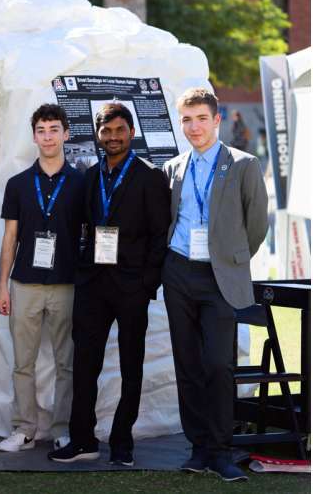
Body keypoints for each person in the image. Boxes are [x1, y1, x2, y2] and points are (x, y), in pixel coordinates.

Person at [49, 103, 170, 466]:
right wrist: (81, 271)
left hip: (132, 286)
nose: (113, 137)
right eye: (107, 131)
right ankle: (83, 439)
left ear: (131, 132)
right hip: (92, 285)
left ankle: (122, 441)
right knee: (84, 365)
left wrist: (146, 284)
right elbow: (79, 227)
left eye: (120, 130)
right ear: (98, 135)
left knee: (132, 367)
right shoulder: (89, 177)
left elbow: (160, 235)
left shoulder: (150, 176)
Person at [162, 88, 268, 482]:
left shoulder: (243, 164)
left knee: (219, 364)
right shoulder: (173, 167)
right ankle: (199, 447)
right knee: (187, 364)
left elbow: (257, 225)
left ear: (217, 120)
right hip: (178, 271)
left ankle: (222, 451)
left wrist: (231, 260)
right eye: (187, 120)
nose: (194, 127)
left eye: (201, 119)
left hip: (219, 276)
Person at [0, 104, 85, 452]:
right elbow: (10, 238)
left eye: (54, 129)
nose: (48, 137)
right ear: (34, 136)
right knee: (23, 363)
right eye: (41, 130)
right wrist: (2, 286)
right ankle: (25, 428)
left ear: (66, 134)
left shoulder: (81, 183)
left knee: (67, 363)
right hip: (25, 284)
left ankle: (62, 429)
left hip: (67, 284)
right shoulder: (18, 184)